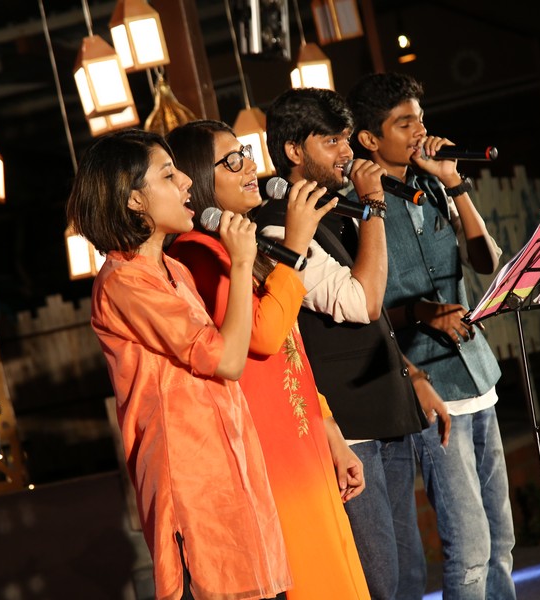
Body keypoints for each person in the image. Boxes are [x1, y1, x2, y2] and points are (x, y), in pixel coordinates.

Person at [65, 128, 290, 600]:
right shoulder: (123, 282)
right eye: (168, 175)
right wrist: (242, 263)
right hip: (190, 483)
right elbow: (227, 359)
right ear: (134, 200)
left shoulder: (176, 270)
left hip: (231, 467)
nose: (187, 182)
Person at [165, 119, 370, 599]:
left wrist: (331, 433)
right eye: (232, 160)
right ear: (198, 179)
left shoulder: (241, 246)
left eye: (247, 154)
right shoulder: (198, 254)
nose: (250, 167)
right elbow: (263, 337)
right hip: (270, 454)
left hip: (302, 438)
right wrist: (295, 244)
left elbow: (292, 352)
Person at [256, 87, 443, 600]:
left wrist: (413, 375)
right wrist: (375, 206)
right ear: (294, 150)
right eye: (332, 141)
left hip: (386, 408)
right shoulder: (276, 226)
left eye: (346, 139)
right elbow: (362, 302)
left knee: (409, 574)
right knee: (380, 580)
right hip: (348, 427)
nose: (347, 152)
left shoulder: (336, 210)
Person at [346, 72, 517, 599]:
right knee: (470, 548)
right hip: (428, 384)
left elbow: (486, 262)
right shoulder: (357, 208)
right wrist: (420, 312)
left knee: (502, 540)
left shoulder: (435, 186)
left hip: (477, 372)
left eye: (420, 118)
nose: (420, 130)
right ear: (370, 139)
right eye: (404, 123)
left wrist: (455, 183)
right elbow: (361, 307)